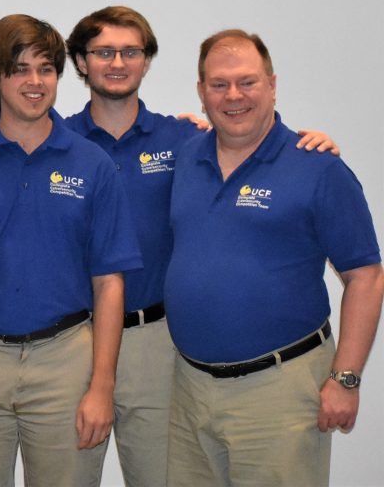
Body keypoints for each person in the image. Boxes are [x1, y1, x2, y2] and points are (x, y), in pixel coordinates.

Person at [63, 6, 340, 487]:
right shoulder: (57, 141)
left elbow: (249, 126)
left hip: (157, 341)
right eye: (103, 51)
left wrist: (307, 142)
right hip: (71, 339)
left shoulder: (181, 139)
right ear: (82, 62)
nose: (117, 62)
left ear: (147, 61)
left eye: (131, 51)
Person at [0, 14, 141, 487]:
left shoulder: (93, 165)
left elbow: (109, 285)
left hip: (66, 362)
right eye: (20, 69)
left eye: (47, 69)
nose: (35, 82)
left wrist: (102, 386)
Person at [164, 29, 384, 486]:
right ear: (202, 92)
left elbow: (366, 276)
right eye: (219, 84)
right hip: (189, 389)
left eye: (247, 81)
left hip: (279, 391)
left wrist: (346, 380)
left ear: (272, 84)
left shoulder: (318, 168)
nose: (234, 95)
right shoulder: (187, 157)